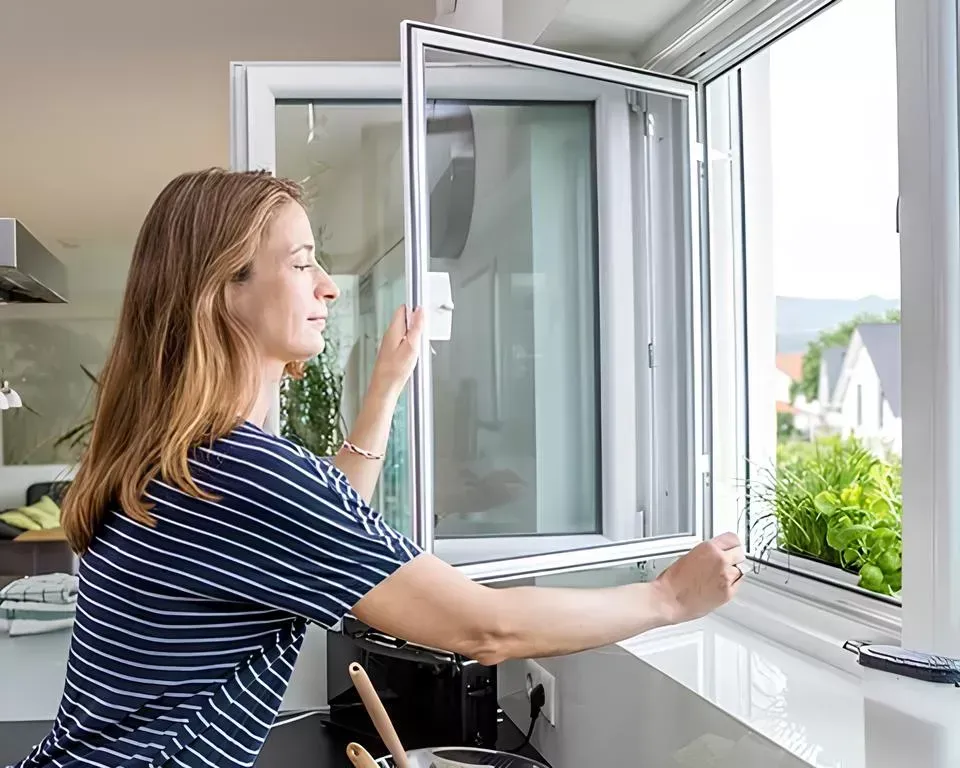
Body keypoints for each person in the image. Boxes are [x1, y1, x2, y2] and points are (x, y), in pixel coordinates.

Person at [12, 169, 745, 768]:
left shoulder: (180, 458)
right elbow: (482, 628)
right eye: (301, 263)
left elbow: (318, 529)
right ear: (223, 289)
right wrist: (667, 598)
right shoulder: (237, 470)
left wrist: (385, 391)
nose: (328, 286)